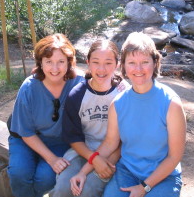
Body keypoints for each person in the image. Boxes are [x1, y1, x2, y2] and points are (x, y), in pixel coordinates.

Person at [73, 32, 186, 197]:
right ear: (123, 66)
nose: (138, 69)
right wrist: (83, 172)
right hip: (127, 172)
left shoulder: (171, 103)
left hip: (163, 175)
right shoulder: (118, 104)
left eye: (145, 62)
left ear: (155, 63)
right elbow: (109, 144)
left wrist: (144, 187)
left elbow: (174, 156)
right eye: (132, 62)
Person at [49, 39, 130, 197]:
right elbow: (73, 137)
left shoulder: (124, 95)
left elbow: (125, 139)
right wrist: (93, 158)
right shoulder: (77, 95)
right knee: (62, 189)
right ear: (87, 63)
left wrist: (106, 162)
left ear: (117, 64)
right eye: (95, 62)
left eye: (108, 63)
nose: (101, 69)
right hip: (82, 153)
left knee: (88, 191)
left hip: (114, 156)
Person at [7, 33, 85, 197]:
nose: (55, 69)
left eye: (61, 62)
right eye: (49, 62)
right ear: (40, 63)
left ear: (69, 63)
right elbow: (25, 131)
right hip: (26, 138)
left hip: (59, 142)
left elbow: (101, 79)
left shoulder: (78, 83)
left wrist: (118, 82)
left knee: (45, 179)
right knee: (19, 174)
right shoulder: (29, 87)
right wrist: (51, 159)